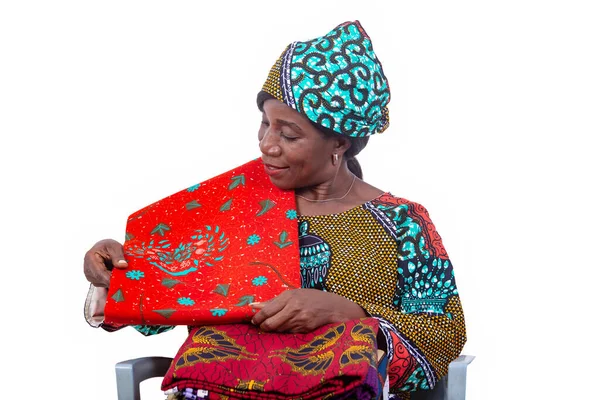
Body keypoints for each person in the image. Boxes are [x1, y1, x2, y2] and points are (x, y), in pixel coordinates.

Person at [84, 20, 467, 399]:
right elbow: (164, 298)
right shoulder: (232, 206)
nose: (267, 144)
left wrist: (350, 313)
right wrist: (111, 273)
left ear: (340, 142)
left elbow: (444, 335)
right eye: (264, 123)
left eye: (289, 134)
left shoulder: (402, 223)